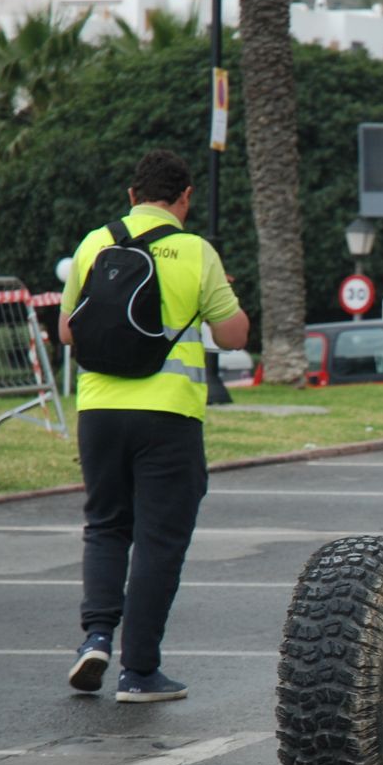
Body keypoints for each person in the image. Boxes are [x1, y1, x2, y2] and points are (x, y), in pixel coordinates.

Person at [59, 149, 249, 703]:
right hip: (168, 416)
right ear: (185, 197)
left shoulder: (96, 242)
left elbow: (69, 332)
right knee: (158, 543)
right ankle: (139, 672)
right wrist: (227, 296)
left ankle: (95, 637)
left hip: (98, 411)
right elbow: (233, 336)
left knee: (106, 525)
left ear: (132, 194)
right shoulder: (195, 251)